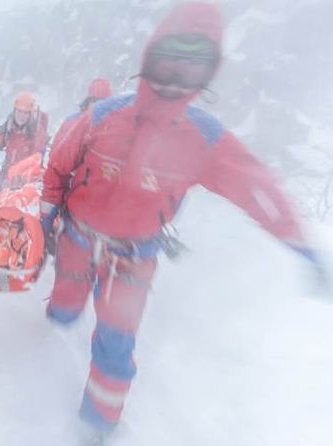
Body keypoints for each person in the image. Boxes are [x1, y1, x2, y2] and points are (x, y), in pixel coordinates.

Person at [39, 2, 330, 442]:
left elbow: (259, 190)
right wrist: (46, 219)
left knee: (116, 347)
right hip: (77, 239)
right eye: (168, 62)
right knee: (64, 307)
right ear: (149, 58)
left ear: (208, 75)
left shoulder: (204, 139)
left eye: (191, 70)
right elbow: (59, 166)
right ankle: (47, 348)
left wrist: (299, 243)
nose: (173, 81)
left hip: (134, 257)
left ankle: (96, 428)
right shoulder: (101, 117)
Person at [0, 91, 49, 193]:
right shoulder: (8, 128)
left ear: (30, 114)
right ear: (14, 111)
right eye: (19, 112)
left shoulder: (37, 131)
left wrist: (22, 175)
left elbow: (36, 157)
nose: (21, 116)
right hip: (7, 179)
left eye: (25, 113)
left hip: (28, 179)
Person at [51, 78, 113, 163]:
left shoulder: (113, 127)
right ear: (89, 101)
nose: (98, 106)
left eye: (102, 102)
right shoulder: (72, 121)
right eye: (94, 101)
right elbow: (56, 154)